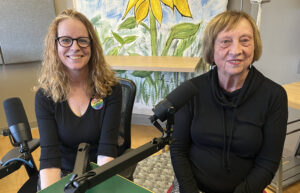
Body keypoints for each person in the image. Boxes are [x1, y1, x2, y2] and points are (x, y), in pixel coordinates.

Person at [170, 10, 288, 193]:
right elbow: (178, 149)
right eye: (226, 41)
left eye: (245, 40)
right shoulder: (191, 90)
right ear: (212, 48)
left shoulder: (274, 96)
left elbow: (268, 162)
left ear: (254, 46)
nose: (236, 50)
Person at [35, 9, 122, 190]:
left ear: (92, 45)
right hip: (63, 173)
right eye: (66, 40)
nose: (75, 47)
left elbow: (106, 151)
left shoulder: (111, 89)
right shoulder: (45, 96)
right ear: (55, 45)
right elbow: (50, 157)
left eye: (82, 40)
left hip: (97, 170)